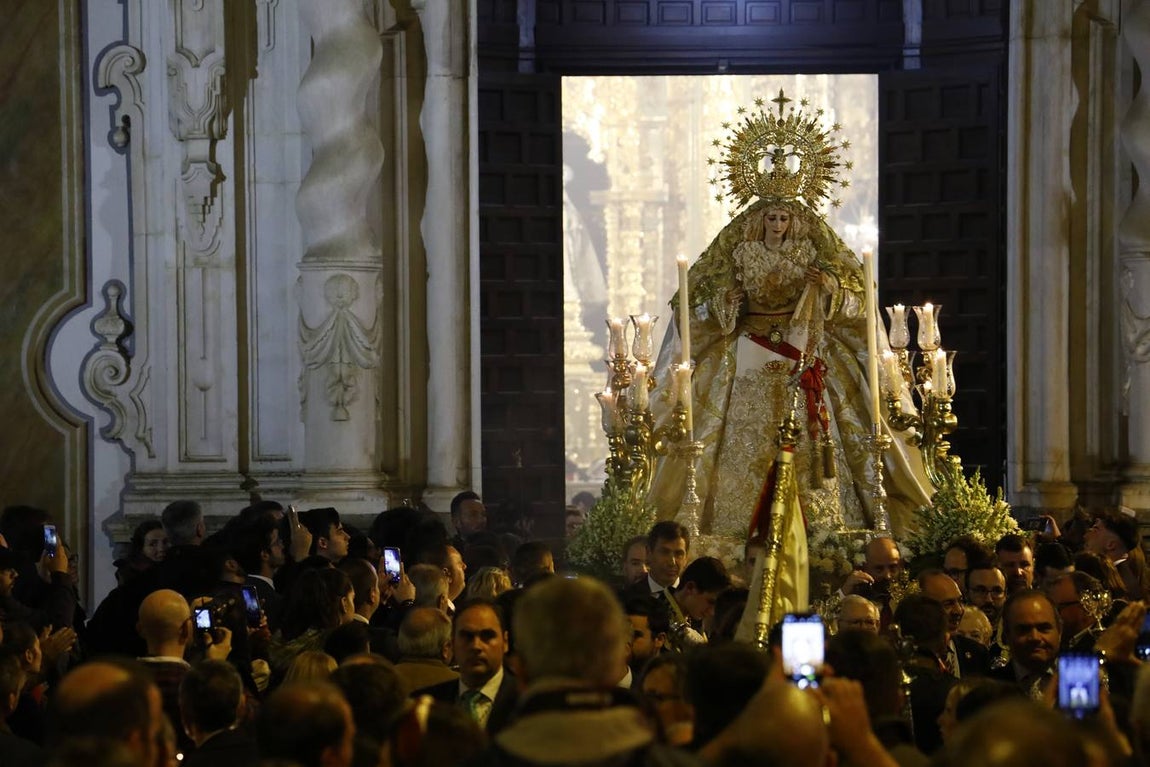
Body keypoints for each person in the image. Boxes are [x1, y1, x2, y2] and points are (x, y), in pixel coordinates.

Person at [646, 100, 931, 548]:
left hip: (806, 351)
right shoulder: (736, 251)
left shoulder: (814, 250)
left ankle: (826, 539)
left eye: (783, 217)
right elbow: (694, 308)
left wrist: (830, 287)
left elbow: (859, 303)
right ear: (758, 220)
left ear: (795, 220)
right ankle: (731, 533)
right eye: (770, 217)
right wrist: (728, 303)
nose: (777, 223)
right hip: (746, 355)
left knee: (824, 439)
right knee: (729, 443)